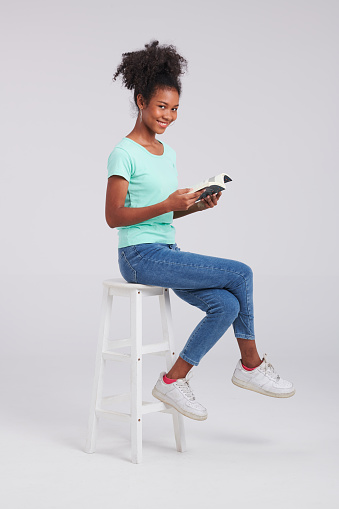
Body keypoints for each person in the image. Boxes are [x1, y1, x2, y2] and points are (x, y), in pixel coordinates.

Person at [105, 40, 295, 421]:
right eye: (162, 106)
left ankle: (173, 381)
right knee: (241, 273)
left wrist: (192, 207)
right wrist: (166, 205)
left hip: (166, 252)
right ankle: (251, 365)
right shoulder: (123, 153)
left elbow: (162, 217)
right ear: (141, 101)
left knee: (225, 305)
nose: (169, 116)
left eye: (175, 109)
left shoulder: (168, 153)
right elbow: (114, 216)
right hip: (139, 257)